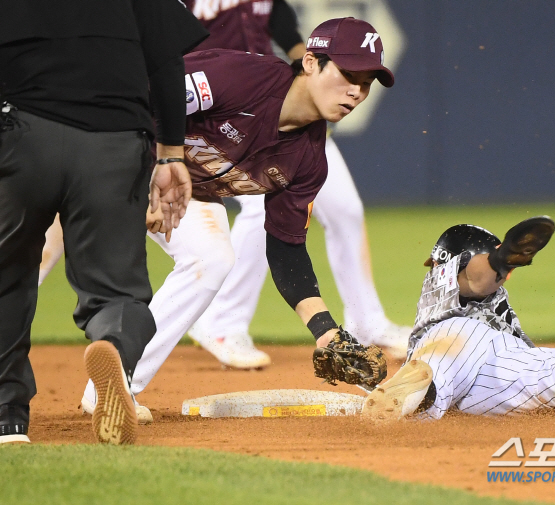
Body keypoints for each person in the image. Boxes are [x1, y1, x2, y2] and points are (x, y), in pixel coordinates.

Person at [38, 0, 411, 369]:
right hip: (106, 146)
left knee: (213, 257)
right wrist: (147, 169)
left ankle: (120, 382)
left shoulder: (309, 161)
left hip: (182, 193)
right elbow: (139, 99)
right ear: (311, 63)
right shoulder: (239, 76)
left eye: (365, 85)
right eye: (348, 75)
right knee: (30, 248)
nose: (356, 93)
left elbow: (286, 249)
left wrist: (325, 331)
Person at [0, 0, 207, 445]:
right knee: (120, 292)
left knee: (7, 277)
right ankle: (114, 348)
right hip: (114, 141)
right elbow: (167, 60)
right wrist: (171, 154)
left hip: (23, 132)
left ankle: (6, 418)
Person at [361, 217, 555, 421]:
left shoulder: (489, 287)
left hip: (493, 359)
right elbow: (474, 278)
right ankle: (410, 396)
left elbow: (481, 278)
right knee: (441, 366)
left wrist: (499, 261)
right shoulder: (441, 278)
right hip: (454, 337)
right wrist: (499, 259)